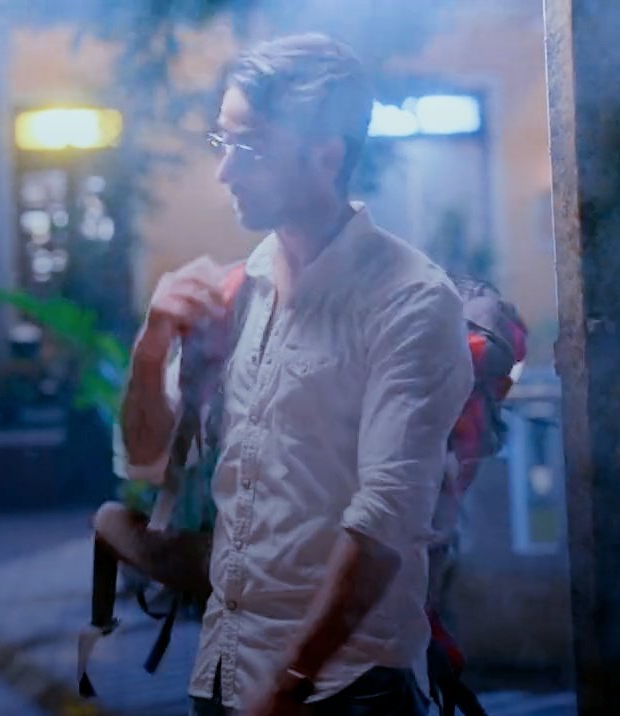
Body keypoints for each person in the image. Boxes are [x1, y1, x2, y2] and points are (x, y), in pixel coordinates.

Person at [118, 34, 474, 715]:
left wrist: (288, 687)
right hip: (224, 670)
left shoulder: (409, 300)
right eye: (221, 142)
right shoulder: (238, 290)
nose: (224, 171)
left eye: (249, 148)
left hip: (346, 688)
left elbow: (384, 524)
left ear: (327, 156)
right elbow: (145, 460)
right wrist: (151, 348)